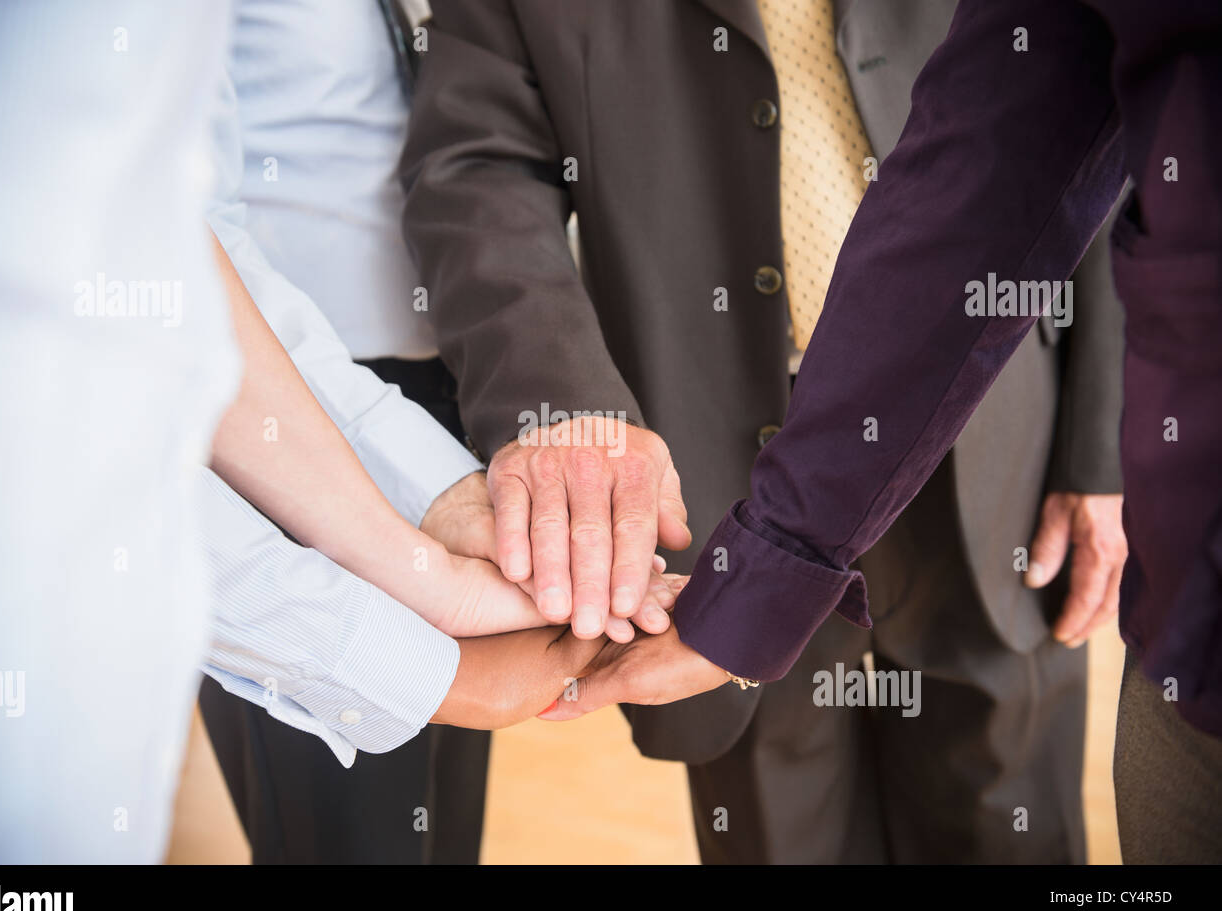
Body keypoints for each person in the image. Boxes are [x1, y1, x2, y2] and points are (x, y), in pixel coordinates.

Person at [399, 0, 1128, 862]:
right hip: (709, 470)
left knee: (1013, 828)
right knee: (780, 836)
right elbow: (476, 162)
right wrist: (563, 413)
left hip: (990, 426)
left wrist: (1102, 445)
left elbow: (1084, 96)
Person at [647, 0, 1220, 863]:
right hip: (1195, 624)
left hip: (1015, 466)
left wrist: (1097, 448)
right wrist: (764, 570)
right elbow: (990, 166)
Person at [195, 0, 676, 864]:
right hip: (274, 404)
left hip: (470, 386)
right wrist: (416, 617)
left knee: (441, 830)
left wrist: (438, 503)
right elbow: (173, 253)